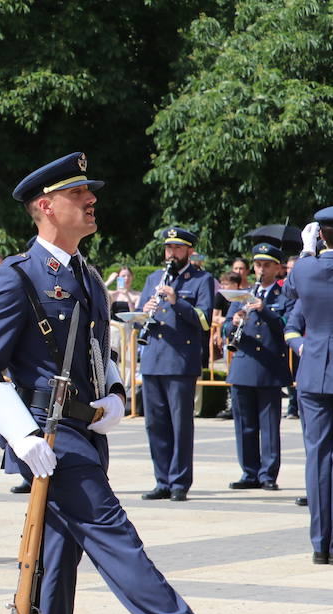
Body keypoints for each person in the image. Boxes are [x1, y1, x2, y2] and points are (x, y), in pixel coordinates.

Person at [0, 152, 275, 614]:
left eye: (90, 192)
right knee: (114, 532)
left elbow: (95, 348)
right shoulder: (16, 276)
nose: (90, 201)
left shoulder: (85, 274)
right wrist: (23, 435)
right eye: (77, 193)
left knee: (56, 573)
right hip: (49, 439)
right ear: (44, 206)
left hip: (84, 431)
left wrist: (112, 391)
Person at [136, 226, 213, 501]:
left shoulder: (202, 279)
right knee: (154, 425)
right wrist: (143, 312)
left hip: (180, 361)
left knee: (180, 425)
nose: (172, 253)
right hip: (153, 358)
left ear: (189, 251)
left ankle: (179, 482)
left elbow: (204, 320)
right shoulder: (155, 278)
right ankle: (162, 480)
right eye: (169, 248)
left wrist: (177, 301)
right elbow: (144, 314)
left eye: (178, 248)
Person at [280, 208, 333, 561]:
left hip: (314, 372)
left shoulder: (304, 269)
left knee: (318, 458)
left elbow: (289, 294)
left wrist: (306, 251)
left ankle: (320, 545)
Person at [222, 243, 290, 491]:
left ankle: (268, 474)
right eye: (258, 265)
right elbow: (226, 328)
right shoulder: (243, 294)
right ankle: (249, 472)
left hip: (269, 367)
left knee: (269, 426)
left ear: (277, 268)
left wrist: (266, 311)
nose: (261, 269)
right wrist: (235, 321)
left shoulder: (283, 296)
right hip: (243, 365)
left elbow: (287, 324)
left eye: (267, 265)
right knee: (244, 424)